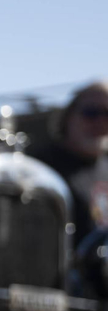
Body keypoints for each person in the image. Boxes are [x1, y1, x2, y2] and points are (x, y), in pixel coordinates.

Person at [31, 80, 108, 228]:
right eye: (91, 113)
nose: (101, 122)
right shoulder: (40, 167)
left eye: (107, 113)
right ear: (68, 117)